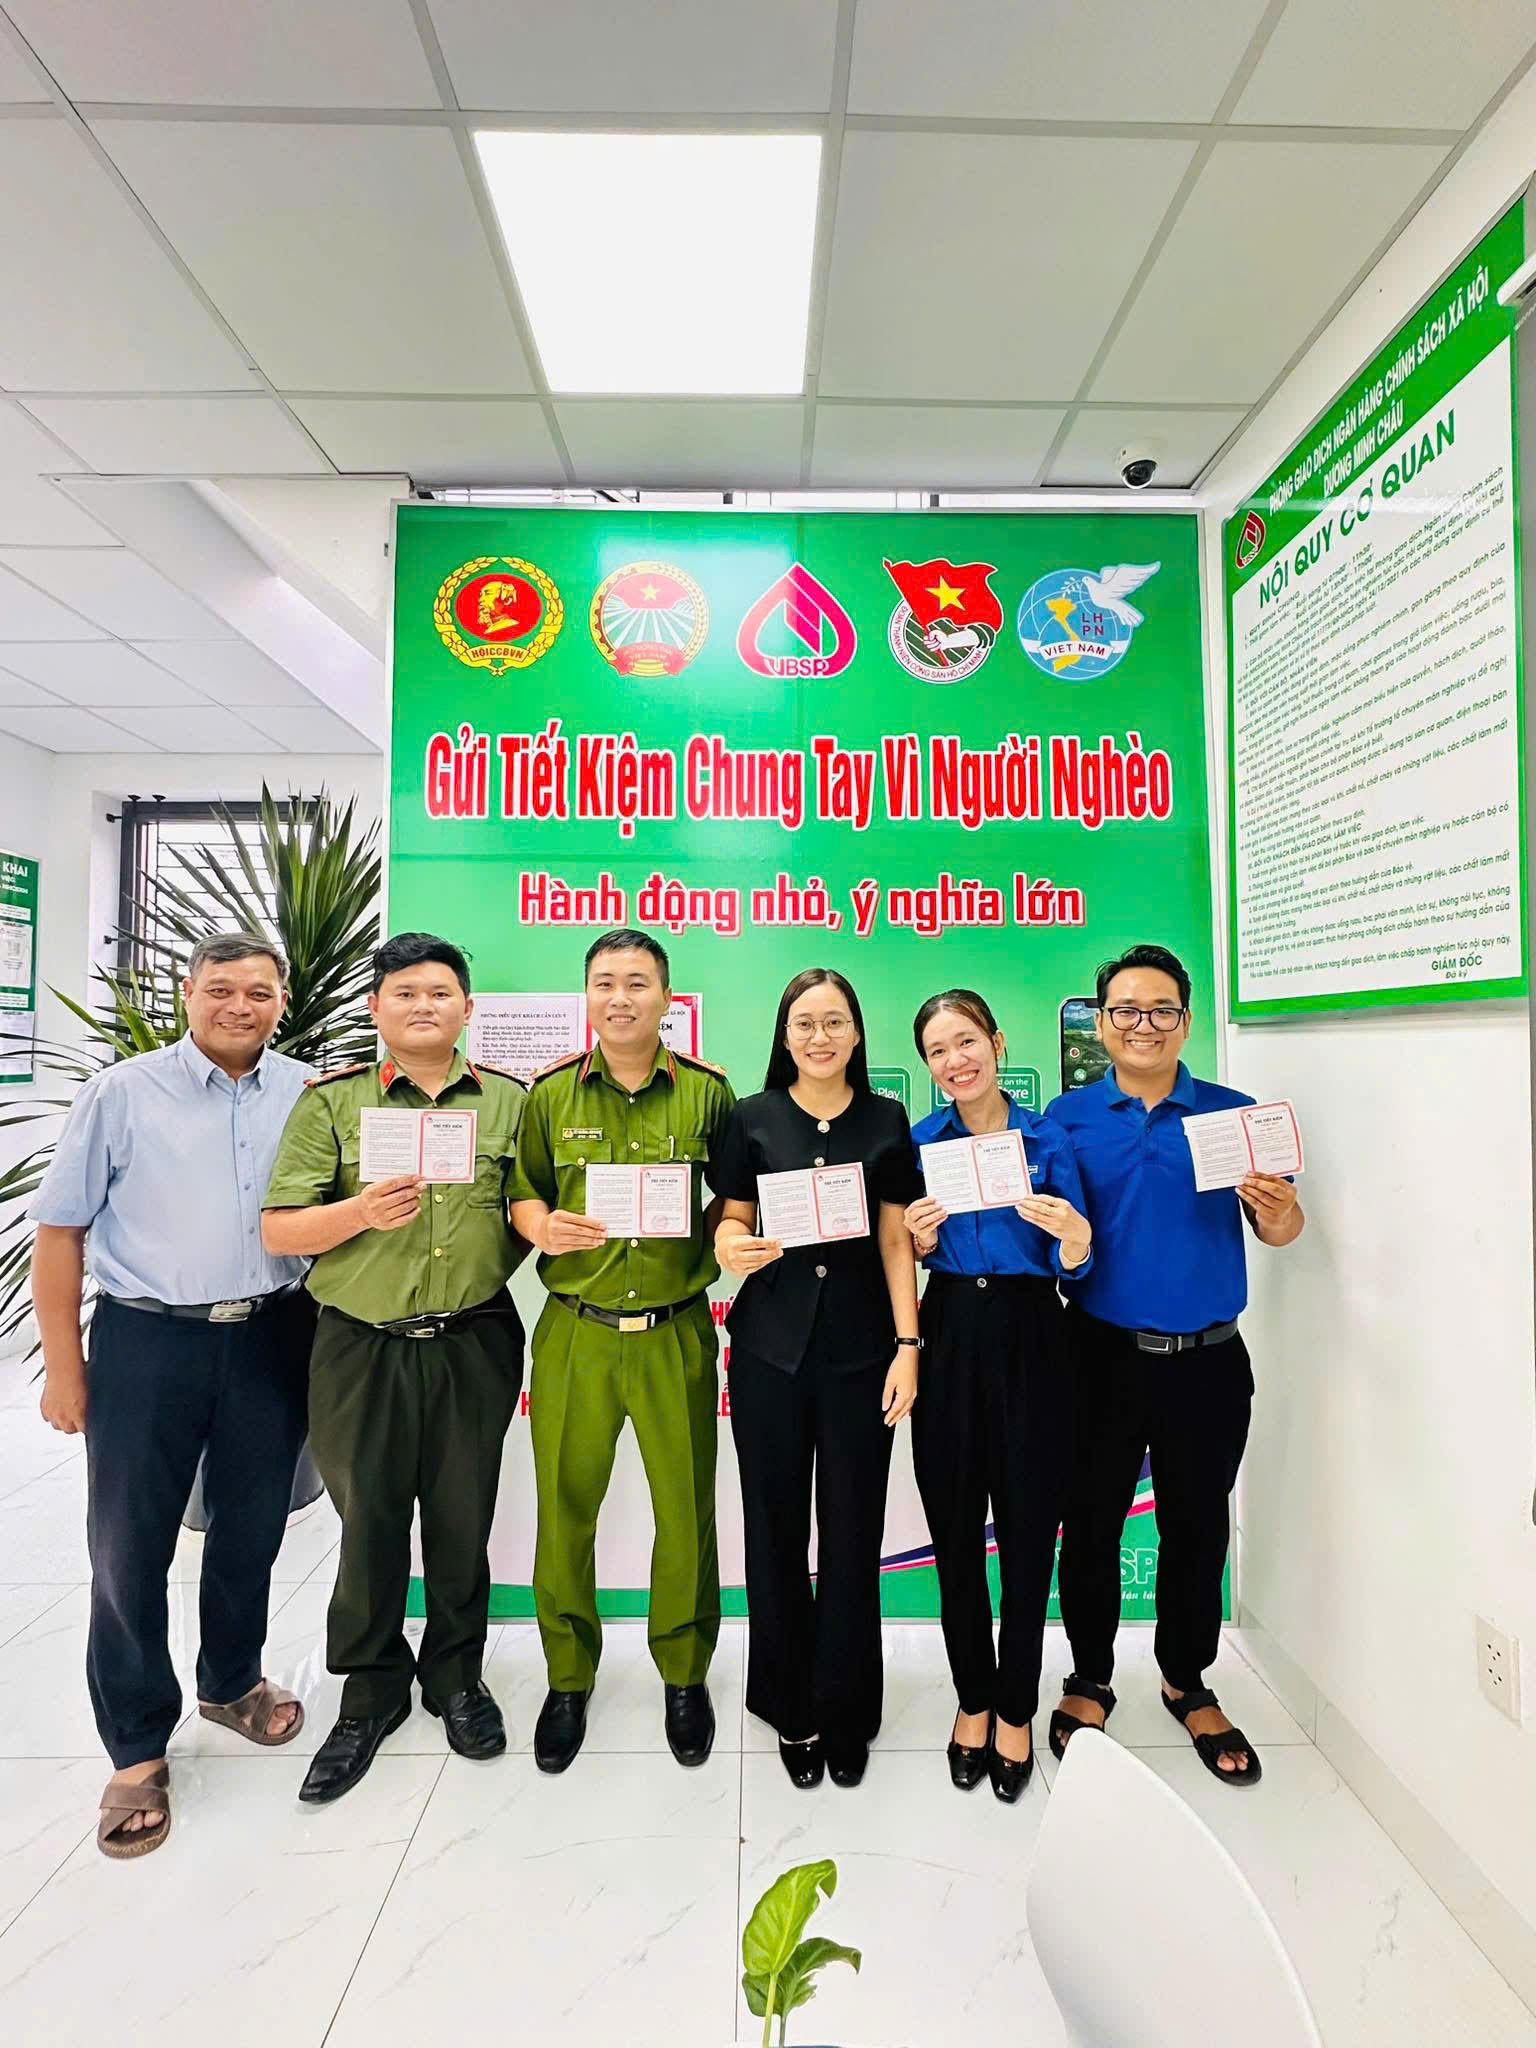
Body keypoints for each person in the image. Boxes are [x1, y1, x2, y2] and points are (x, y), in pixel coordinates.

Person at [31, 934, 314, 1859]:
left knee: (251, 1527)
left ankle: (232, 1682)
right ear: (188, 993)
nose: (240, 1006)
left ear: (281, 1003)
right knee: (128, 1542)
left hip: (272, 1333)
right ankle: (137, 1745)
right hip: (148, 1340)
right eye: (221, 989)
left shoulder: (306, 1091)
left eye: (259, 992)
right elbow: (60, 1230)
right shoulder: (123, 1093)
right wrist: (64, 1368)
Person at [261, 931, 528, 1803]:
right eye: (405, 993)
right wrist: (359, 1213)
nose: (424, 1006)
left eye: (440, 993)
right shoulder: (332, 1103)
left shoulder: (509, 1103)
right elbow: (279, 1228)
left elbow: (526, 1209)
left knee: (462, 1516)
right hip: (360, 1343)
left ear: (467, 1008)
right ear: (376, 1008)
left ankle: (456, 1677)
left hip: (473, 1340)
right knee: (369, 1519)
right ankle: (370, 1689)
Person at [1044, 943, 1304, 1787]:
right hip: (1098, 1357)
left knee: (1197, 1527)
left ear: (1186, 1022)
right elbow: (1055, 1242)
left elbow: (1281, 1232)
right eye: (1125, 1010)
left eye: (1162, 1010)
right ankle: (1090, 1678)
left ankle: (1187, 1681)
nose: (1143, 1025)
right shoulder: (1066, 1120)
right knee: (1089, 1526)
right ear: (1101, 1023)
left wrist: (1280, 1211)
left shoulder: (1234, 1116)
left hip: (1208, 1362)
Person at [507, 929, 736, 1774]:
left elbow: (736, 1195)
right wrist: (539, 1224)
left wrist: (729, 1232)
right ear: (587, 995)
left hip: (677, 1330)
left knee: (686, 1510)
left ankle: (684, 1673)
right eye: (605, 981)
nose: (621, 997)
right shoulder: (549, 1096)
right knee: (564, 1510)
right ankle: (568, 1678)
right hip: (578, 1331)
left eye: (638, 982)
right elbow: (523, 1191)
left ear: (667, 998)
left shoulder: (708, 1093)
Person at [713, 968, 921, 1789]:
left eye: (835, 1021)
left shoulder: (886, 1119)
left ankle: (847, 1706)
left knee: (852, 1533)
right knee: (771, 1531)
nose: (820, 1036)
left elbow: (896, 1239)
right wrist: (732, 1246)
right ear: (784, 1034)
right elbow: (732, 1216)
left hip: (863, 1356)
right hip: (769, 1350)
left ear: (857, 1033)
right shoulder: (752, 1117)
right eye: (805, 1023)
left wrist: (908, 1344)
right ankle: (788, 1705)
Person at [903, 990, 1092, 1802]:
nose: (956, 1060)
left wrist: (1076, 1240)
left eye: (967, 1041)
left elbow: (1078, 1263)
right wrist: (917, 1242)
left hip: (1033, 1333)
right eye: (939, 1050)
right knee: (953, 1530)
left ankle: (1016, 1707)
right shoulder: (920, 1143)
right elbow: (901, 1259)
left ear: (997, 1041)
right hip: (949, 1330)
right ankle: (972, 1700)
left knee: (1027, 1532)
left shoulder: (1049, 1140)